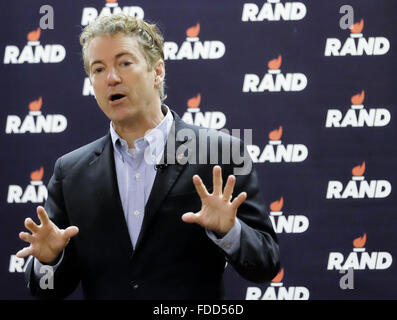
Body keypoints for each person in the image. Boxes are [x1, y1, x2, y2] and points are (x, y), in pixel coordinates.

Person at [16, 14, 280, 299]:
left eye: (124, 63)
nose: (112, 78)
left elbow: (265, 265)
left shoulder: (219, 153)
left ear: (157, 71)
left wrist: (230, 232)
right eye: (99, 69)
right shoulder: (71, 172)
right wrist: (48, 261)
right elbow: (47, 290)